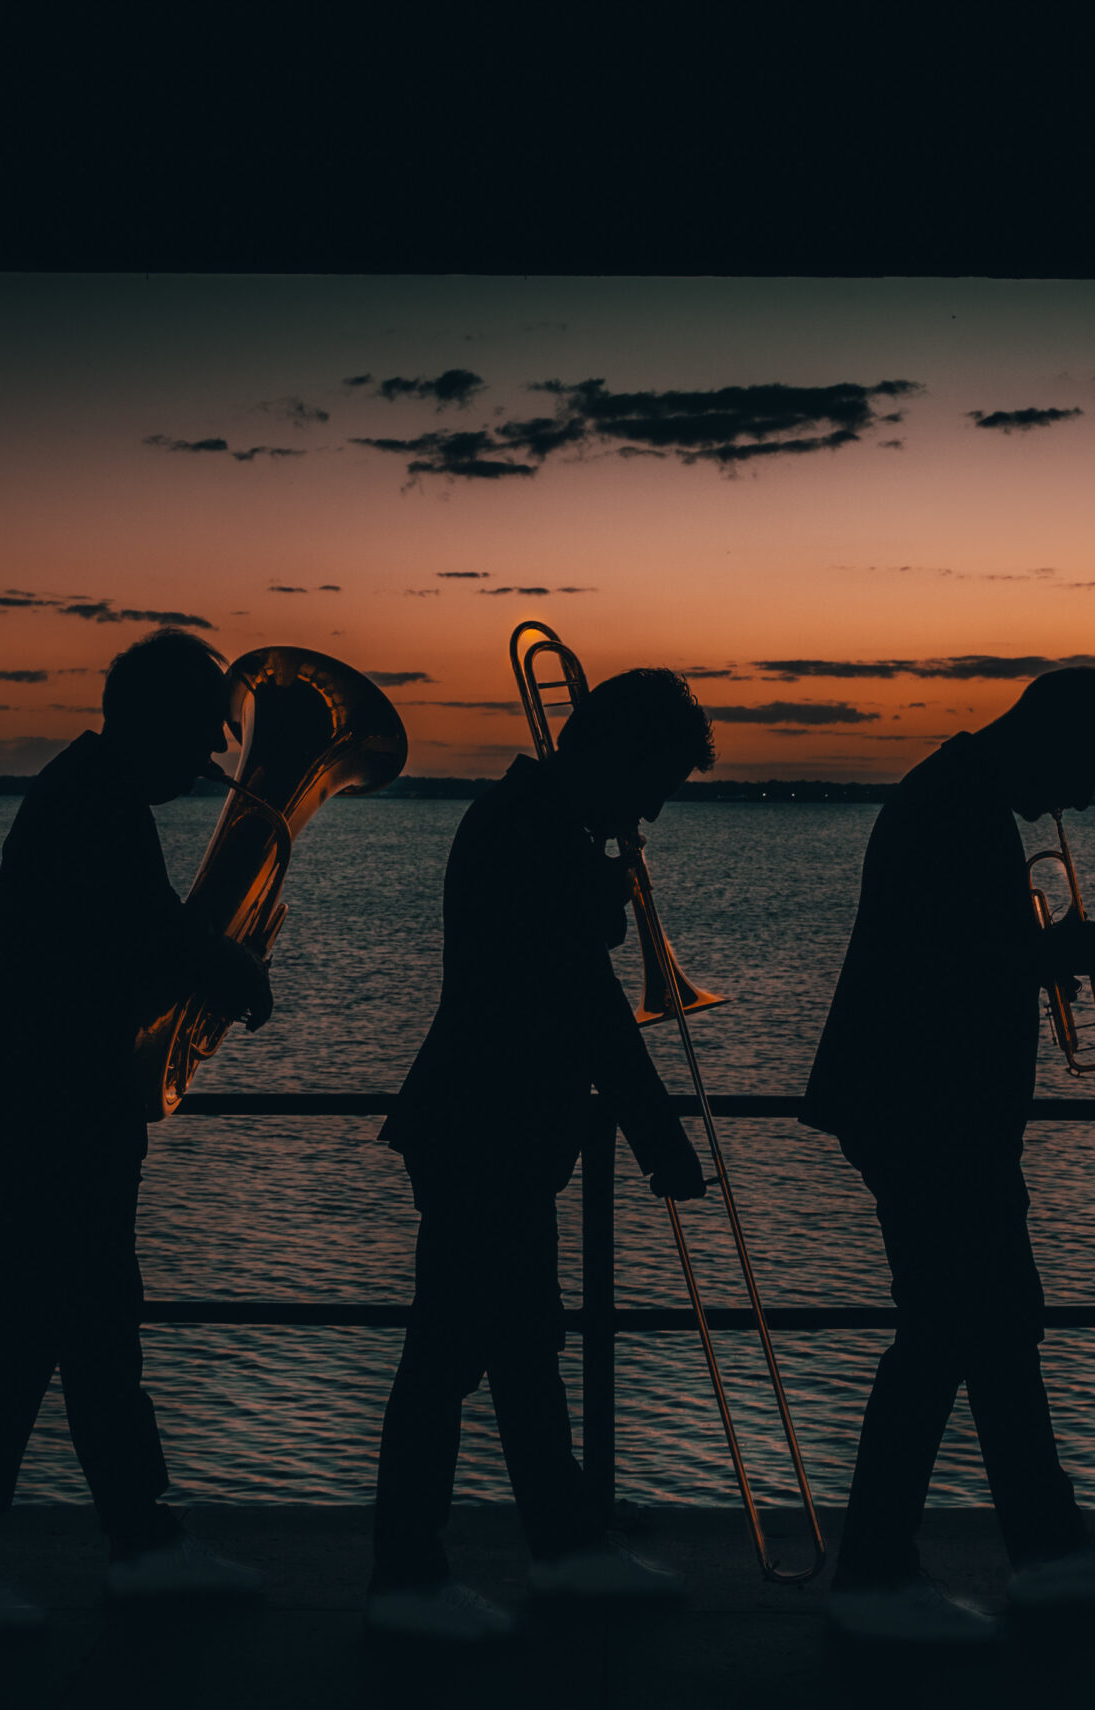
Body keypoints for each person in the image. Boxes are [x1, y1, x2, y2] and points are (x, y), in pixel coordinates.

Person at [0, 628, 276, 1630]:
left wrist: (202, 961)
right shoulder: (97, 805)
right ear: (152, 720)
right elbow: (141, 943)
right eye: (204, 735)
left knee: (90, 1326)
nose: (209, 761)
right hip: (49, 1103)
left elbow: (132, 943)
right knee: (35, 1328)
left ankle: (135, 1536)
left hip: (52, 1098)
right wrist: (232, 967)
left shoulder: (88, 792)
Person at [803, 666, 1095, 1644]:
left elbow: (944, 951)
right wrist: (1045, 959)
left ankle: (1046, 1554)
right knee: (945, 1335)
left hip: (937, 1113)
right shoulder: (953, 806)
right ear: (1046, 739)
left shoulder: (960, 798)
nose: (1084, 798)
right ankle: (882, 1570)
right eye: (1086, 771)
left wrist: (1034, 956)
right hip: (923, 1113)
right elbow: (934, 970)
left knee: (996, 1328)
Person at [363, 667, 713, 1643]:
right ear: (620, 754)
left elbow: (564, 979)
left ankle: (560, 1549)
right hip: (487, 1126)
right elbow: (581, 1005)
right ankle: (408, 1573)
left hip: (496, 1127)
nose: (652, 808)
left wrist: (596, 900)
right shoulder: (532, 831)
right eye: (654, 783)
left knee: (521, 1353)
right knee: (448, 1360)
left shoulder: (534, 823)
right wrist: (660, 1141)